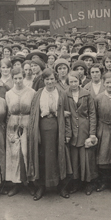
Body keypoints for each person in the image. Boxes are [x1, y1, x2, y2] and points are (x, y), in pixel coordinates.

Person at [26, 68, 72, 200]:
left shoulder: (62, 93)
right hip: (42, 128)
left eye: (52, 79)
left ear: (56, 79)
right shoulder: (38, 94)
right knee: (42, 157)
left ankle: (60, 186)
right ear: (43, 80)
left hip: (58, 128)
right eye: (47, 79)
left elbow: (67, 114)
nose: (50, 82)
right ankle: (41, 187)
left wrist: (67, 133)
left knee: (59, 155)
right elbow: (34, 115)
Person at [64, 71, 98, 195]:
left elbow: (92, 114)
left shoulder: (87, 94)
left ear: (79, 81)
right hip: (72, 130)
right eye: (71, 81)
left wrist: (92, 133)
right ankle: (76, 183)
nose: (73, 84)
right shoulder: (65, 95)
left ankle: (88, 183)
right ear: (68, 82)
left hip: (85, 129)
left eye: (75, 81)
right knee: (74, 159)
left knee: (87, 158)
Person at [4, 67, 35, 196]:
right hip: (13, 125)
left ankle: (30, 183)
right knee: (14, 155)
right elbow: (7, 112)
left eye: (20, 78)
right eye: (15, 78)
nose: (18, 81)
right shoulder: (9, 93)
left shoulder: (32, 92)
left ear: (24, 77)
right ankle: (16, 184)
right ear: (12, 79)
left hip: (27, 124)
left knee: (27, 153)